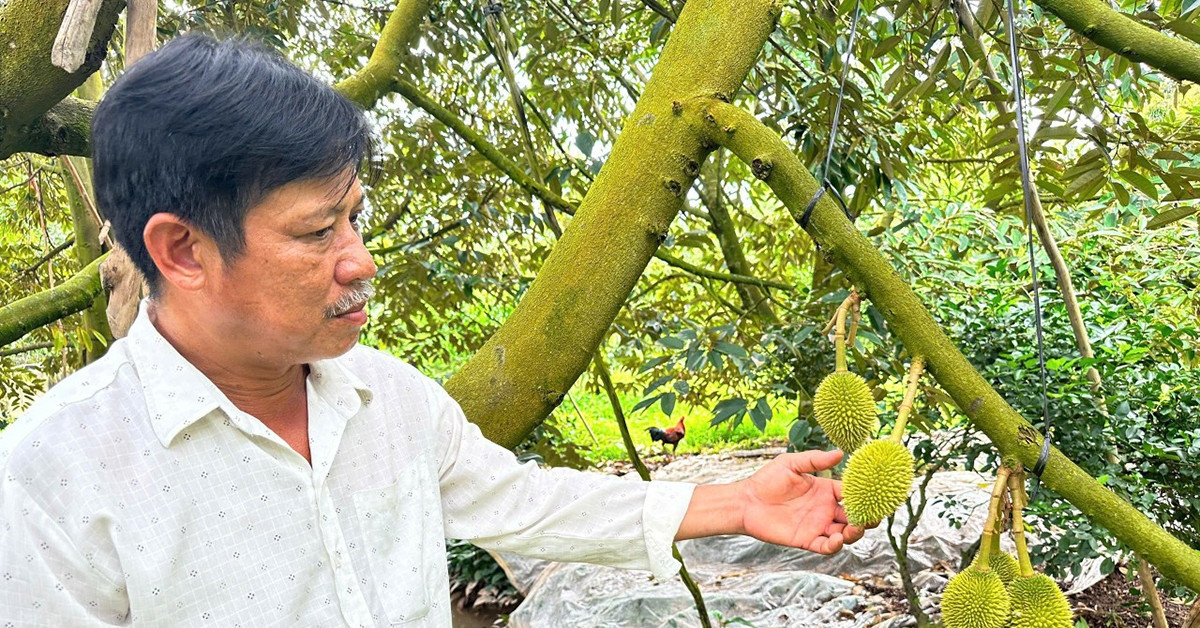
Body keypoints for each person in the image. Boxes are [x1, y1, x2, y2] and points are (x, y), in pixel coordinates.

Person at [0, 34, 866, 626]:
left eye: (356, 220)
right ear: (181, 250)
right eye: (317, 231)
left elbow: (522, 501)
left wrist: (738, 504)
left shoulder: (390, 399)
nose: (360, 261)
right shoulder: (54, 476)